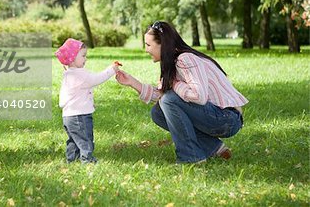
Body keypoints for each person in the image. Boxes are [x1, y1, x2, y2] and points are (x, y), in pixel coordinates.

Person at [115, 21, 248, 164]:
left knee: (168, 100)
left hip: (227, 118)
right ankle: (214, 148)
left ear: (163, 45)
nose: (146, 50)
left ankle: (191, 157)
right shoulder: (172, 62)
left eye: (148, 45)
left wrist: (175, 84)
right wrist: (132, 82)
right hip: (214, 116)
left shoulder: (185, 59)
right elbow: (162, 96)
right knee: (158, 113)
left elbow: (199, 97)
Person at [55, 38, 119, 163]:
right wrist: (112, 70)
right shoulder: (79, 75)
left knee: (74, 139)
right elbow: (97, 79)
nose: (86, 59)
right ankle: (87, 160)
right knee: (85, 139)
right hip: (80, 116)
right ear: (72, 58)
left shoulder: (69, 74)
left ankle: (72, 159)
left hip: (68, 117)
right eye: (83, 56)